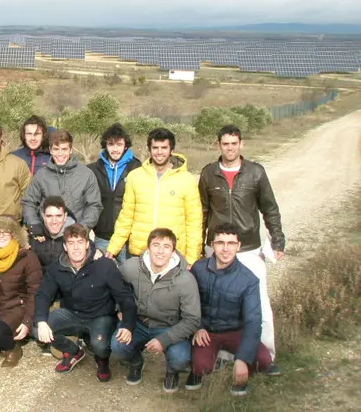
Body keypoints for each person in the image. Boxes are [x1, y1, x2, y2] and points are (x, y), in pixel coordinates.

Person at [198, 125, 284, 364]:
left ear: (241, 144)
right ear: (219, 145)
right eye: (225, 143)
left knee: (259, 304)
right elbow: (202, 213)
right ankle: (224, 355)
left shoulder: (256, 172)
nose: (230, 148)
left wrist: (277, 240)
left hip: (248, 248)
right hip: (215, 247)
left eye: (234, 143)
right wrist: (199, 246)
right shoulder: (208, 174)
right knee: (218, 302)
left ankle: (266, 355)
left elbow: (270, 208)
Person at [35, 223, 136, 382]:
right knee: (38, 329)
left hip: (100, 316)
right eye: (71, 243)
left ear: (87, 244)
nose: (76, 248)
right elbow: (43, 294)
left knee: (100, 344)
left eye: (80, 242)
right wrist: (41, 321)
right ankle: (74, 351)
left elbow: (125, 296)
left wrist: (128, 325)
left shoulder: (104, 265)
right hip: (72, 314)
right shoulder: (57, 268)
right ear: (65, 246)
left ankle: (102, 358)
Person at [186, 223, 273, 396]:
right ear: (212, 245)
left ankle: (240, 369)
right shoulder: (198, 268)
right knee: (201, 367)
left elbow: (253, 320)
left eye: (231, 243)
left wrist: (242, 359)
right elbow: (189, 303)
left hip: (235, 331)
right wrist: (197, 327)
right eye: (220, 243)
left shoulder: (248, 279)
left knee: (263, 361)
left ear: (238, 246)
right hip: (207, 331)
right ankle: (203, 364)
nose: (226, 249)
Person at [111, 228, 201, 393]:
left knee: (180, 358)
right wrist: (119, 309)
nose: (160, 251)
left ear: (173, 251)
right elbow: (116, 289)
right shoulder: (131, 267)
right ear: (148, 247)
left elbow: (192, 319)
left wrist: (164, 340)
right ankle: (136, 361)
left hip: (169, 326)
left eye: (166, 246)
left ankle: (172, 371)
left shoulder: (185, 280)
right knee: (118, 346)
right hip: (137, 322)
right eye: (156, 245)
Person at [105, 128, 203, 265]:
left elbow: (194, 222)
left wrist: (192, 258)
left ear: (171, 149)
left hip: (172, 254)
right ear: (149, 149)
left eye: (164, 147)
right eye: (155, 147)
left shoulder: (187, 180)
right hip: (139, 252)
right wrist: (113, 247)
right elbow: (126, 216)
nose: (159, 152)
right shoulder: (135, 176)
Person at [0, 216, 42, 367]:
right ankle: (3, 339)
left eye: (7, 232)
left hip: (17, 307)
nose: (2, 235)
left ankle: (13, 347)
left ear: (14, 234)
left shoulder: (27, 256)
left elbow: (35, 292)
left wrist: (27, 321)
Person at [22, 129, 102, 237]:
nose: (60, 153)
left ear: (70, 150)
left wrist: (83, 227)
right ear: (51, 150)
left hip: (77, 234)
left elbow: (94, 205)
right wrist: (34, 224)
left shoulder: (86, 174)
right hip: (48, 235)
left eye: (64, 149)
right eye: (56, 149)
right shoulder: (41, 176)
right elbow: (29, 202)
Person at [88, 124, 141, 261]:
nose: (115, 149)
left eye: (119, 144)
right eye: (111, 144)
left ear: (125, 146)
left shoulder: (137, 169)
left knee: (129, 278)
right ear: (105, 145)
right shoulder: (93, 170)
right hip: (102, 237)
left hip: (129, 239)